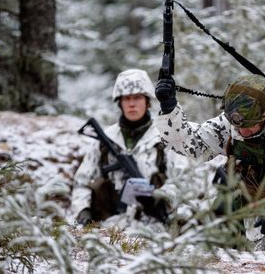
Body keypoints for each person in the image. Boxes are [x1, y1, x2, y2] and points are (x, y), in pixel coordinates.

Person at [155, 74, 265, 251]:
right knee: (193, 246)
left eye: (250, 125)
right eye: (238, 125)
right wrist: (170, 109)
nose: (242, 131)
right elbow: (193, 145)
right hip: (244, 214)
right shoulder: (234, 122)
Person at [71, 69, 189, 227]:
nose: (132, 104)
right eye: (126, 98)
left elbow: (184, 181)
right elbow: (82, 183)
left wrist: (158, 196)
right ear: (119, 102)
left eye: (137, 97)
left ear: (147, 101)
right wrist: (83, 211)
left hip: (156, 228)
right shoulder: (105, 140)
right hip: (109, 228)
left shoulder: (165, 137)